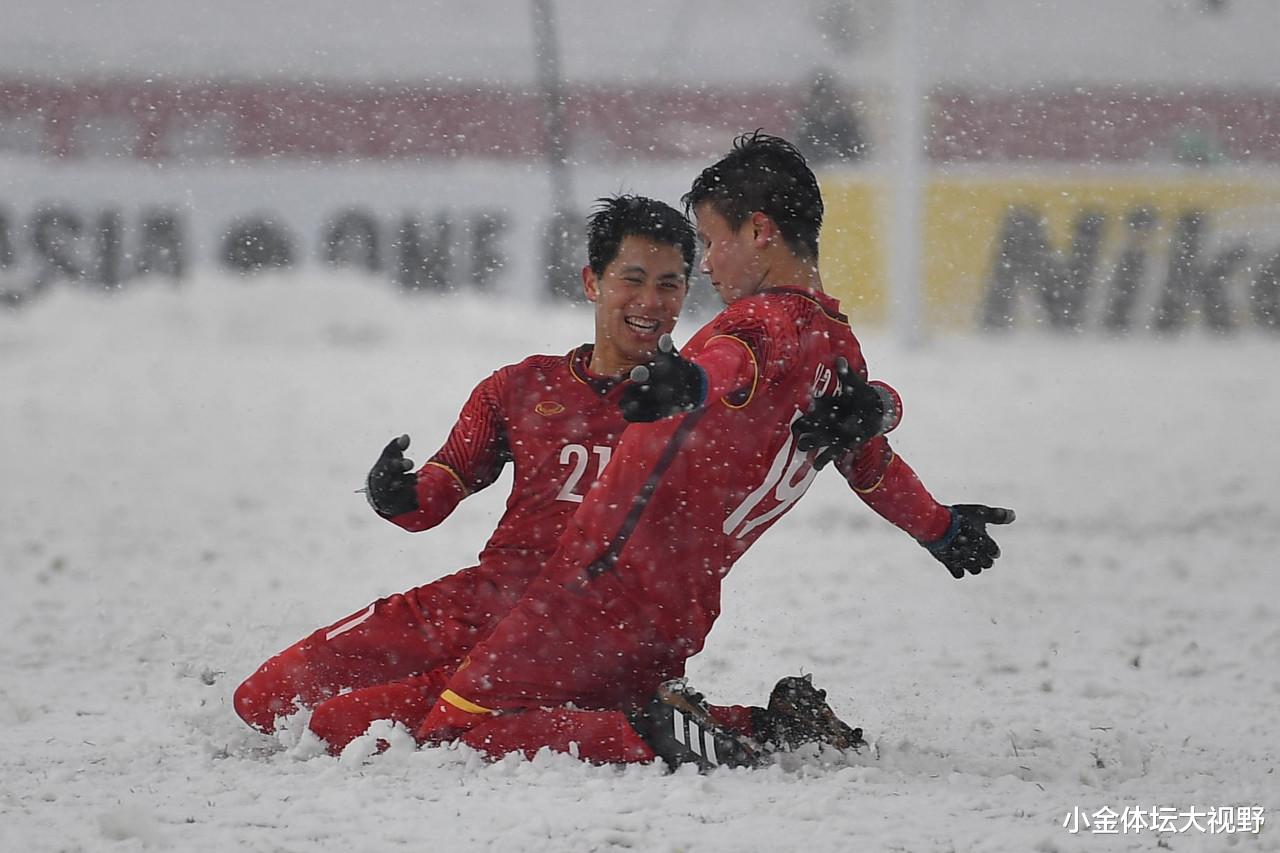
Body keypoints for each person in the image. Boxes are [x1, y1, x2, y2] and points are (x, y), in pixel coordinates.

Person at [412, 132, 1014, 769]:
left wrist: (686, 381)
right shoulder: (839, 349)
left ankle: (656, 737)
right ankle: (772, 728)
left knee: (449, 734)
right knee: (568, 708)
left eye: (709, 240)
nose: (705, 264)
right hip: (685, 608)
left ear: (758, 232)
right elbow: (871, 464)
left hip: (601, 587)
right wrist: (938, 526)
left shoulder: (757, 323)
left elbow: (733, 361)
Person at [232, 194, 862, 761]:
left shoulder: (703, 397)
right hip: (477, 608)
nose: (650, 304)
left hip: (594, 628)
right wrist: (394, 493)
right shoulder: (522, 388)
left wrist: (874, 408)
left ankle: (676, 732)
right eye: (632, 280)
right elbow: (434, 497)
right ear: (593, 281)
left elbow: (799, 391)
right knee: (265, 705)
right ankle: (754, 727)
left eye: (670, 286)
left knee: (343, 727)